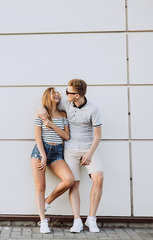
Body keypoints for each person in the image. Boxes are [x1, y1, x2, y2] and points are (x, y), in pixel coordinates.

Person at [39, 79, 104, 233]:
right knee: (74, 183)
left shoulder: (93, 109)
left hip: (89, 148)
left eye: (68, 92)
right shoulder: (66, 103)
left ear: (77, 95)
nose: (65, 94)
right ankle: (77, 221)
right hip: (70, 149)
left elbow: (98, 136)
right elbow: (48, 102)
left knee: (99, 178)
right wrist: (40, 107)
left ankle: (91, 219)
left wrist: (89, 154)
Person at [31, 87, 74, 234]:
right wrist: (43, 155)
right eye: (53, 92)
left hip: (56, 154)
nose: (57, 94)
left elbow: (66, 136)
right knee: (40, 187)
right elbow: (37, 137)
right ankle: (43, 222)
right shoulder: (41, 113)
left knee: (69, 180)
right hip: (40, 152)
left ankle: (47, 202)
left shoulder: (63, 114)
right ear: (46, 96)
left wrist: (52, 124)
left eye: (58, 92)